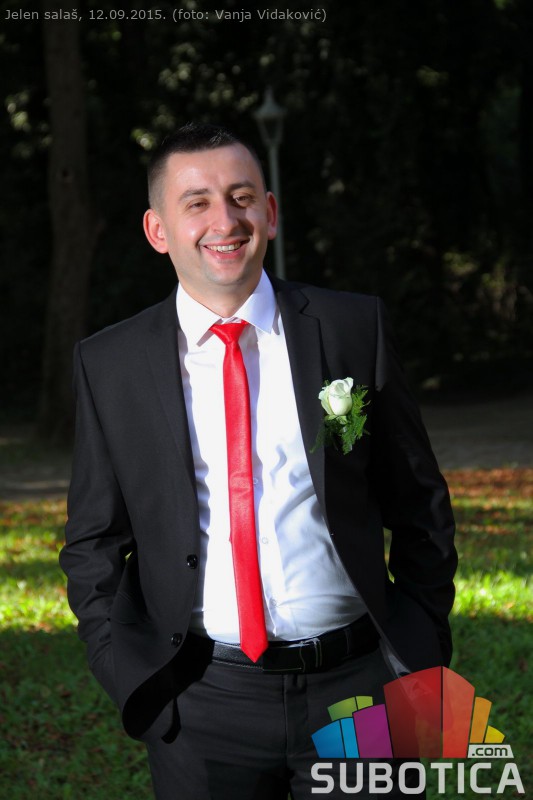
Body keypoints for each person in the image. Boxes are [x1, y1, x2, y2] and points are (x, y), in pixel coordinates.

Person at [60, 122, 457, 799]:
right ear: (158, 230)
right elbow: (93, 540)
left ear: (269, 213)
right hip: (200, 701)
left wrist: (419, 635)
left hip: (360, 687)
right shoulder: (110, 363)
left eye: (241, 197)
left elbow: (419, 499)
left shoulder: (350, 329)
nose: (225, 220)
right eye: (197, 203)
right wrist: (123, 669)